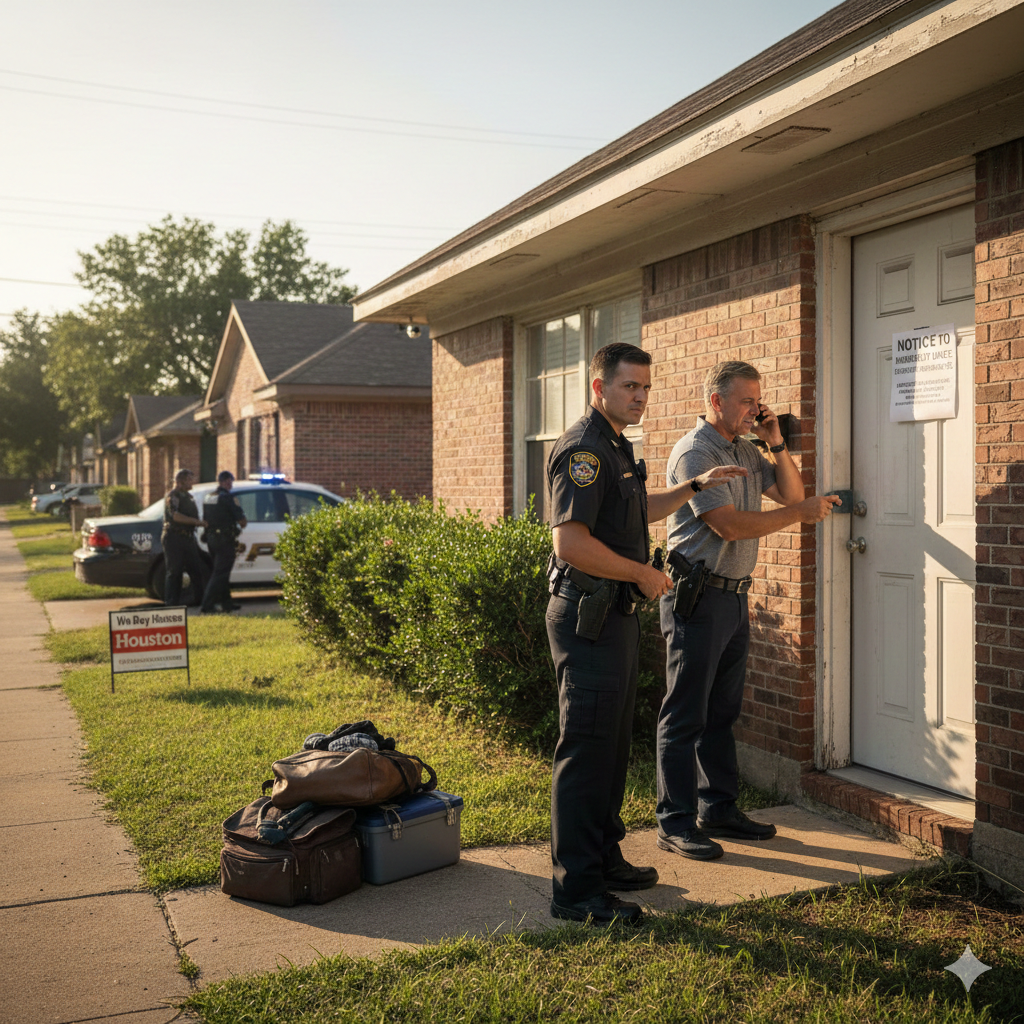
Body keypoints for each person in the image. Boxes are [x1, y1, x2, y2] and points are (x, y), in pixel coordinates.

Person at [545, 342, 748, 926]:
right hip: (587, 617)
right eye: (629, 386)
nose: (639, 396)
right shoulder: (584, 450)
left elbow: (636, 511)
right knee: (585, 751)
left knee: (609, 749)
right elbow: (572, 542)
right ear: (599, 386)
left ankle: (604, 859)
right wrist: (643, 574)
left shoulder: (616, 447)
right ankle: (576, 891)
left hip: (614, 617)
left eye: (645, 387)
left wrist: (693, 486)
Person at [656, 361, 840, 862]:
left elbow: (794, 495)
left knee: (722, 711)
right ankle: (674, 822)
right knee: (685, 712)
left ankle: (717, 808)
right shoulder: (696, 452)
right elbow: (728, 526)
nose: (754, 408)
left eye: (758, 400)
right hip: (696, 598)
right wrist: (797, 516)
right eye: (745, 400)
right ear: (716, 401)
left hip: (734, 597)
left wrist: (775, 443)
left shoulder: (744, 448)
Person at [200, 471, 248, 614]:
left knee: (222, 572)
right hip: (225, 540)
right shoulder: (228, 498)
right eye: (230, 482)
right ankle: (207, 605)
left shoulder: (209, 497)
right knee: (220, 573)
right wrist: (241, 523)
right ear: (226, 482)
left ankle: (226, 602)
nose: (231, 484)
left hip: (212, 539)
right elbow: (242, 521)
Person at [161, 469, 208, 607]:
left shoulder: (188, 496)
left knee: (196, 569)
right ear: (181, 481)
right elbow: (176, 516)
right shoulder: (173, 496)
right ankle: (171, 604)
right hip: (174, 538)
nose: (192, 482)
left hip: (187, 538)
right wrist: (197, 522)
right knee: (174, 572)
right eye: (189, 479)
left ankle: (199, 601)